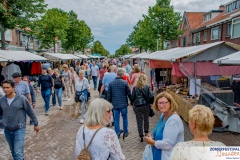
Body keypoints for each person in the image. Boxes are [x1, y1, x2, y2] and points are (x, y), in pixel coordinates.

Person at [0, 80, 39, 160]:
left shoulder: (21, 98)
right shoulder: (2, 100)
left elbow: (30, 111)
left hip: (19, 128)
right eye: (4, 88)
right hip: (7, 129)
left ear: (14, 88)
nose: (5, 89)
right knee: (13, 151)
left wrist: (36, 123)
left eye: (8, 87)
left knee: (17, 152)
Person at [145, 92, 184, 160]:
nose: (161, 105)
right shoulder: (163, 115)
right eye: (159, 103)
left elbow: (168, 144)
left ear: (170, 103)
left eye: (164, 102)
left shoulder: (173, 121)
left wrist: (152, 142)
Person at [108, 68, 132, 139]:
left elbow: (109, 95)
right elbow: (129, 93)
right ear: (122, 74)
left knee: (116, 119)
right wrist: (132, 101)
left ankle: (117, 132)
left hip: (115, 104)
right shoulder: (125, 83)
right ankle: (125, 131)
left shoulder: (111, 83)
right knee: (125, 118)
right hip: (123, 104)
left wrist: (108, 104)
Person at [132, 74, 154, 142]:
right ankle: (146, 133)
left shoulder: (135, 88)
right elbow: (152, 95)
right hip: (145, 105)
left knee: (139, 121)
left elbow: (132, 97)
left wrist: (133, 103)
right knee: (146, 119)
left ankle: (141, 136)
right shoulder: (147, 86)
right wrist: (150, 103)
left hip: (137, 106)